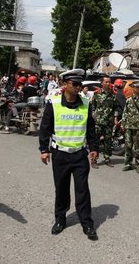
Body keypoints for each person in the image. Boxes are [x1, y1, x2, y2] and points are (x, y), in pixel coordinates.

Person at [38, 69, 99, 240]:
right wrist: (44, 149)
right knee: (61, 189)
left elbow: (91, 129)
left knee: (82, 190)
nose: (79, 87)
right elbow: (45, 129)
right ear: (65, 84)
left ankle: (87, 223)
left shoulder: (86, 103)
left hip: (79, 155)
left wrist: (94, 148)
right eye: (75, 84)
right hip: (60, 155)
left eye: (80, 84)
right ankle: (60, 219)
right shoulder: (54, 103)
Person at [91, 75, 118, 168]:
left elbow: (116, 108)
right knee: (95, 141)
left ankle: (107, 159)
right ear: (102, 83)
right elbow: (92, 106)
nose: (108, 83)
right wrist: (93, 116)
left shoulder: (113, 94)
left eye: (109, 82)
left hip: (109, 122)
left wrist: (115, 118)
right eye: (106, 82)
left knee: (108, 141)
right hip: (98, 122)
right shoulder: (97, 93)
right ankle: (94, 160)